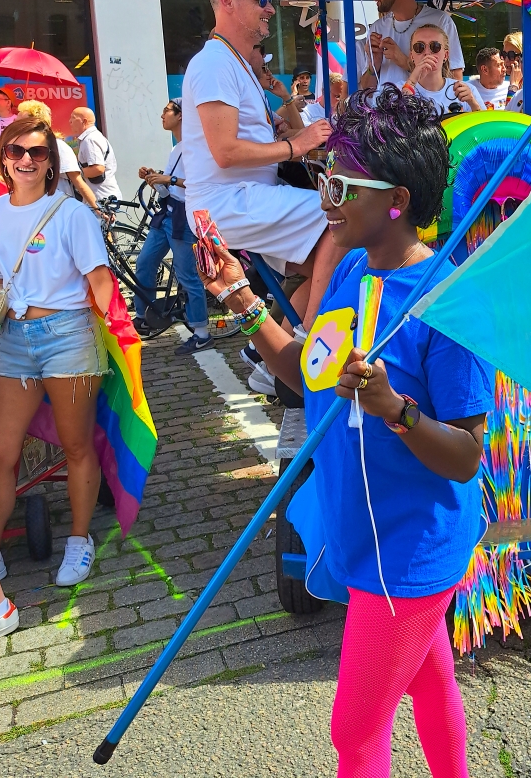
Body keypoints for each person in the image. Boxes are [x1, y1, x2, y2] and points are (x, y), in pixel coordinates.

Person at [195, 86, 494, 778]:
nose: (325, 195)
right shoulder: (354, 269)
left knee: (354, 732)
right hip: (361, 531)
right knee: (429, 679)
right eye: (324, 177)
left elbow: (467, 456)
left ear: (396, 201)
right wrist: (240, 295)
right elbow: (310, 375)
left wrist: (397, 408)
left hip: (408, 555)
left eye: (341, 183)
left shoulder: (446, 307)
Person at [180, 0, 344, 396]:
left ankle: (274, 368)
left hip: (245, 197)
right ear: (227, 1)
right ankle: (305, 354)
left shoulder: (231, 62)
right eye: (261, 0)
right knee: (340, 219)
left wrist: (286, 136)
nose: (269, 10)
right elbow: (225, 151)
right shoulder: (214, 62)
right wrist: (298, 144)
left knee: (328, 269)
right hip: (228, 201)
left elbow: (244, 141)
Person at [0, 117, 117, 594]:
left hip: (67, 334)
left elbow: (101, 283)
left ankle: (79, 538)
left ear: (51, 163)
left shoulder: (71, 214)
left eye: (38, 153)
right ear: (4, 158)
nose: (26, 159)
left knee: (76, 446)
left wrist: (118, 342)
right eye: (16, 150)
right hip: (12, 338)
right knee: (2, 454)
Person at [133, 101, 211, 354]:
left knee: (187, 275)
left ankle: (201, 332)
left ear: (181, 116)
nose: (161, 115)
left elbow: (201, 185)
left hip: (184, 218)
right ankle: (145, 315)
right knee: (144, 262)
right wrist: (154, 179)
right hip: (167, 214)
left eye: (166, 110)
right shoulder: (176, 149)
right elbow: (169, 190)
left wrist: (170, 178)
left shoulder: (197, 147)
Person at [357, 0, 464, 89]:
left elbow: (455, 78)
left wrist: (405, 62)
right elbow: (367, 90)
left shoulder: (440, 21)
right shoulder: (377, 27)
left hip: (426, 106)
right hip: (385, 105)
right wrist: (373, 66)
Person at [16, 100, 99, 210]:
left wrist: (97, 209)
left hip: (57, 209)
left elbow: (77, 181)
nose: (16, 124)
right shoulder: (19, 147)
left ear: (37, 122)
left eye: (21, 121)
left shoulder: (58, 146)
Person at [403, 25, 482, 115]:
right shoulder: (398, 90)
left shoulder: (467, 90)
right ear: (412, 56)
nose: (427, 52)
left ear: (446, 55)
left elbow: (486, 127)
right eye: (419, 47)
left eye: (435, 47)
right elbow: (394, 121)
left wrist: (473, 104)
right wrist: (411, 82)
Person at [68, 107, 121, 202]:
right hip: (101, 198)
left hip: (102, 199)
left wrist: (73, 175)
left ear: (83, 121)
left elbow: (98, 169)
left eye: (73, 117)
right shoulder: (90, 138)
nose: (70, 121)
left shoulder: (90, 140)